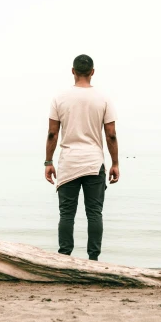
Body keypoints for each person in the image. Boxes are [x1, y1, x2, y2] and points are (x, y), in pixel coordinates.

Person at [45, 54, 119, 261]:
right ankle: (93, 259)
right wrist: (115, 163)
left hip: (68, 163)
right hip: (94, 163)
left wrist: (48, 162)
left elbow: (52, 133)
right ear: (93, 72)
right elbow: (111, 134)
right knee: (94, 213)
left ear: (73, 71)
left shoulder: (59, 98)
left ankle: (64, 257)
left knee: (66, 214)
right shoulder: (103, 99)